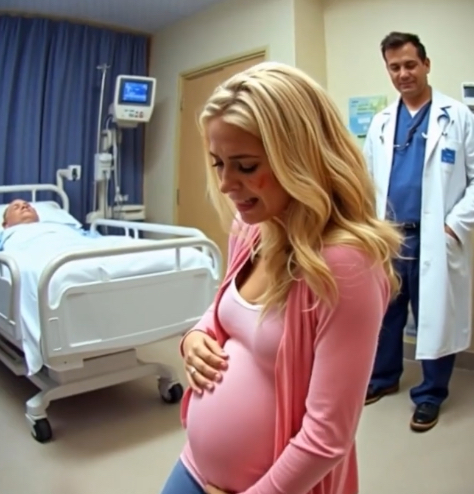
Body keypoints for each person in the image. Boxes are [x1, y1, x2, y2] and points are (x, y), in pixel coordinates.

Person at [159, 62, 402, 494]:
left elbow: (327, 438)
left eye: (245, 166)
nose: (226, 184)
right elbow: (225, 309)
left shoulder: (345, 266)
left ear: (300, 158)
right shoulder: (252, 227)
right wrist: (196, 335)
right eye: (218, 163)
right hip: (194, 466)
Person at [363, 32, 474, 432]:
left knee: (435, 315)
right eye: (394, 67)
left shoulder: (458, 116)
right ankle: (383, 378)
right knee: (385, 313)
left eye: (410, 64)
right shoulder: (380, 122)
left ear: (426, 64)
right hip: (390, 236)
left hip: (435, 238)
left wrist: (453, 225)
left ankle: (430, 394)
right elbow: (367, 180)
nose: (403, 74)